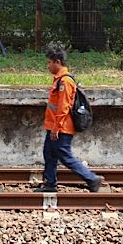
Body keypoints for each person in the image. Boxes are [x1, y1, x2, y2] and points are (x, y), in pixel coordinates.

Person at [34, 46, 104, 193]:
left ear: (57, 62)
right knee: (49, 154)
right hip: (54, 126)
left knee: (65, 156)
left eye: (49, 63)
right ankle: (50, 184)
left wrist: (56, 128)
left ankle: (92, 179)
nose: (48, 66)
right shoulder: (59, 80)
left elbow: (63, 107)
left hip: (61, 128)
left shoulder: (65, 82)